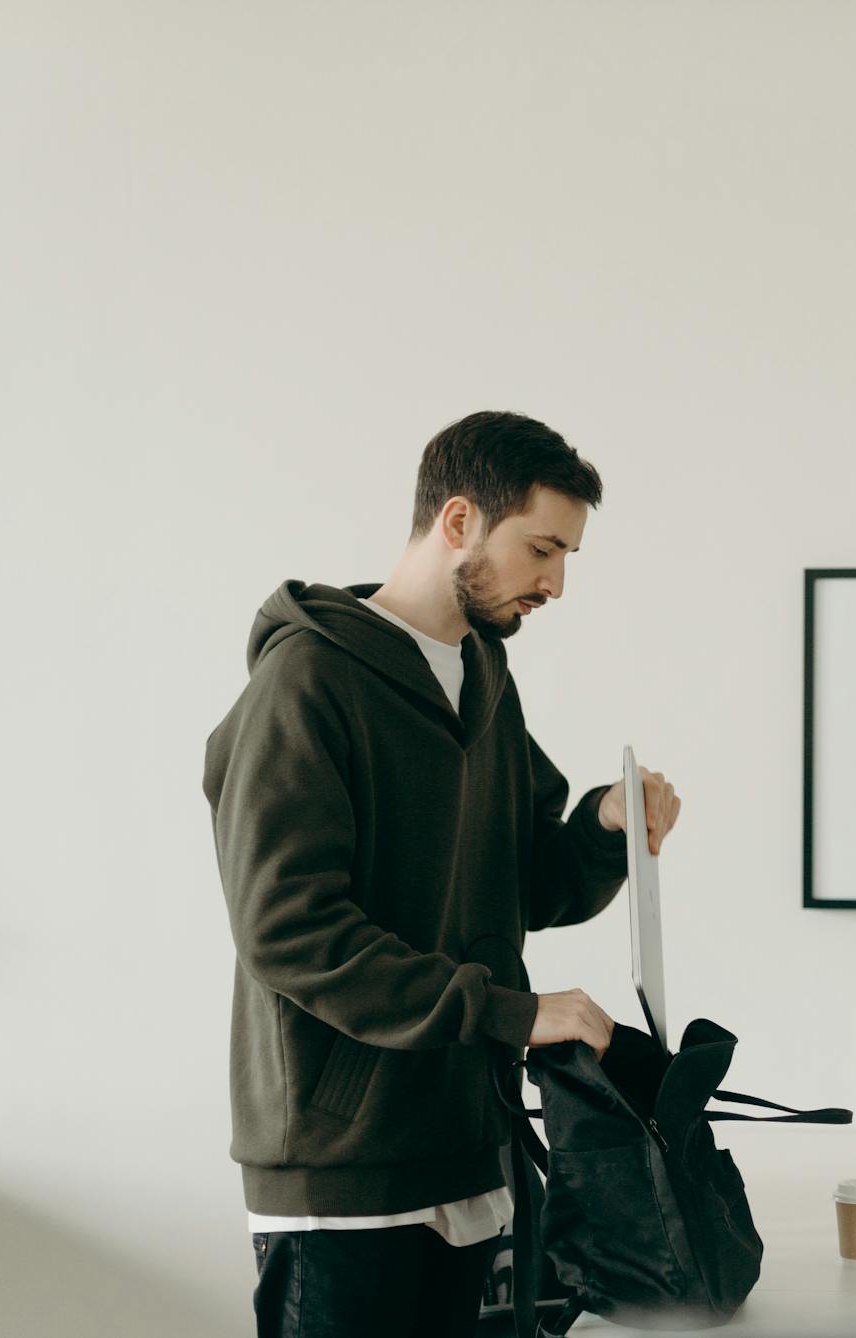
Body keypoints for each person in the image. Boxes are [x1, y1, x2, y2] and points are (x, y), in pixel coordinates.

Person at [201, 410, 682, 1336]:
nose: (557, 582)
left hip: (471, 1147)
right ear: (458, 522)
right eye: (542, 548)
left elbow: (530, 882)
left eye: (568, 555)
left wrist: (602, 825)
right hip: (347, 1179)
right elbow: (290, 932)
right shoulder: (306, 684)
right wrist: (511, 1014)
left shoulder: (480, 679)